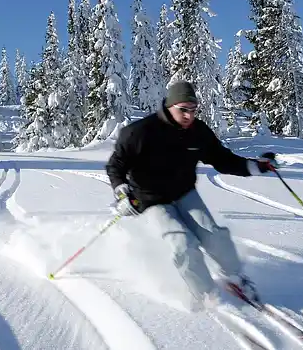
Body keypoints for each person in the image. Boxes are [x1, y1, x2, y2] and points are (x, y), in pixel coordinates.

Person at [105, 80, 277, 310]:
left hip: (183, 192)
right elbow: (115, 166)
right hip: (151, 199)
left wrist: (255, 166)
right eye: (183, 109)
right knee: (182, 244)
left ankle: (235, 278)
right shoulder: (140, 132)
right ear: (170, 106)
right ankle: (206, 295)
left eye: (193, 110)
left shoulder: (198, 132)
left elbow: (223, 159)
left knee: (213, 234)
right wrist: (122, 192)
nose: (189, 115)